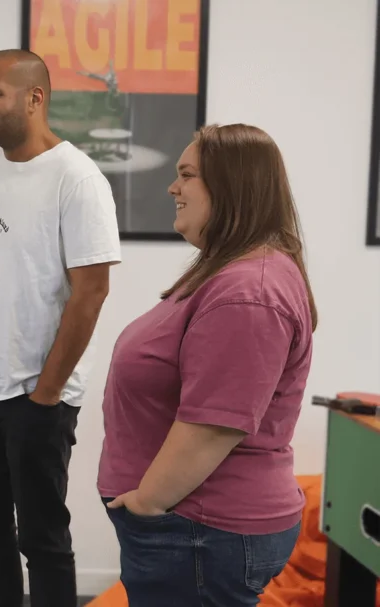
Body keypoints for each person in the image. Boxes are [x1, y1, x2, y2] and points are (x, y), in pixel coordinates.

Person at [97, 123, 317, 606]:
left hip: (199, 528)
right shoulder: (233, 275)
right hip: (192, 527)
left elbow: (215, 425)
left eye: (188, 175)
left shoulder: (248, 293)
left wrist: (147, 504)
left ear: (232, 185)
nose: (173, 187)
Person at [0, 49, 121, 607]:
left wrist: (46, 393)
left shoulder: (77, 179)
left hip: (34, 397)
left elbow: (92, 291)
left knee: (42, 540)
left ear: (34, 98)